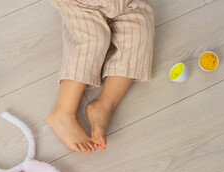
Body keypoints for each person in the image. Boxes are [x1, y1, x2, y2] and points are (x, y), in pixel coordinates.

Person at [47, 0, 155, 152]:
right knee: (93, 41)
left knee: (140, 34)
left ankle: (104, 105)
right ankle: (63, 112)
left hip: (126, 3)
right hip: (81, 5)